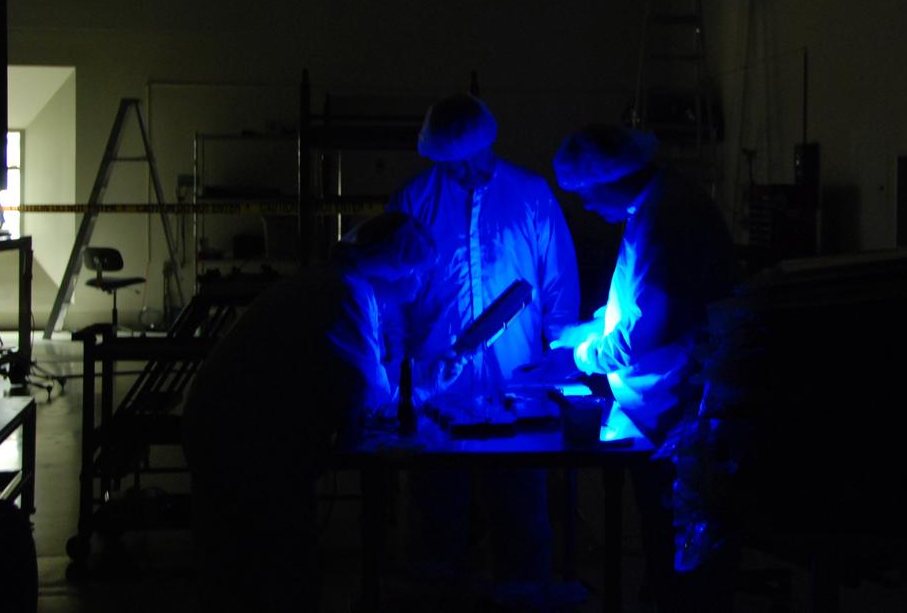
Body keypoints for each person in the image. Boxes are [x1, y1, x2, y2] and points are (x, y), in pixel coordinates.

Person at [181, 211, 436, 613]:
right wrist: (427, 383)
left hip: (232, 431)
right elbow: (368, 397)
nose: (418, 287)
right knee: (271, 567)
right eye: (416, 275)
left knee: (241, 566)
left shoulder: (333, 282)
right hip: (244, 443)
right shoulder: (344, 292)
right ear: (396, 266)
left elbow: (355, 376)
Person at [388, 92, 580, 589]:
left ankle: (523, 596)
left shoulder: (531, 196)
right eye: (453, 164)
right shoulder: (414, 202)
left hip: (517, 394)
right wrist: (400, 383)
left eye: (473, 159)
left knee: (522, 523)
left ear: (490, 143)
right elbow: (392, 301)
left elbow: (558, 284)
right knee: (434, 526)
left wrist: (563, 360)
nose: (466, 172)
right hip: (437, 396)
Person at [546, 123, 738, 611]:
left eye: (587, 195)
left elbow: (645, 331)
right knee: (664, 532)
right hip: (661, 406)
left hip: (675, 412)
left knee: (672, 537)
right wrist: (589, 329)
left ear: (609, 179)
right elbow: (637, 303)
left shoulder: (664, 216)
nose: (587, 208)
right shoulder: (658, 205)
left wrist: (580, 356)